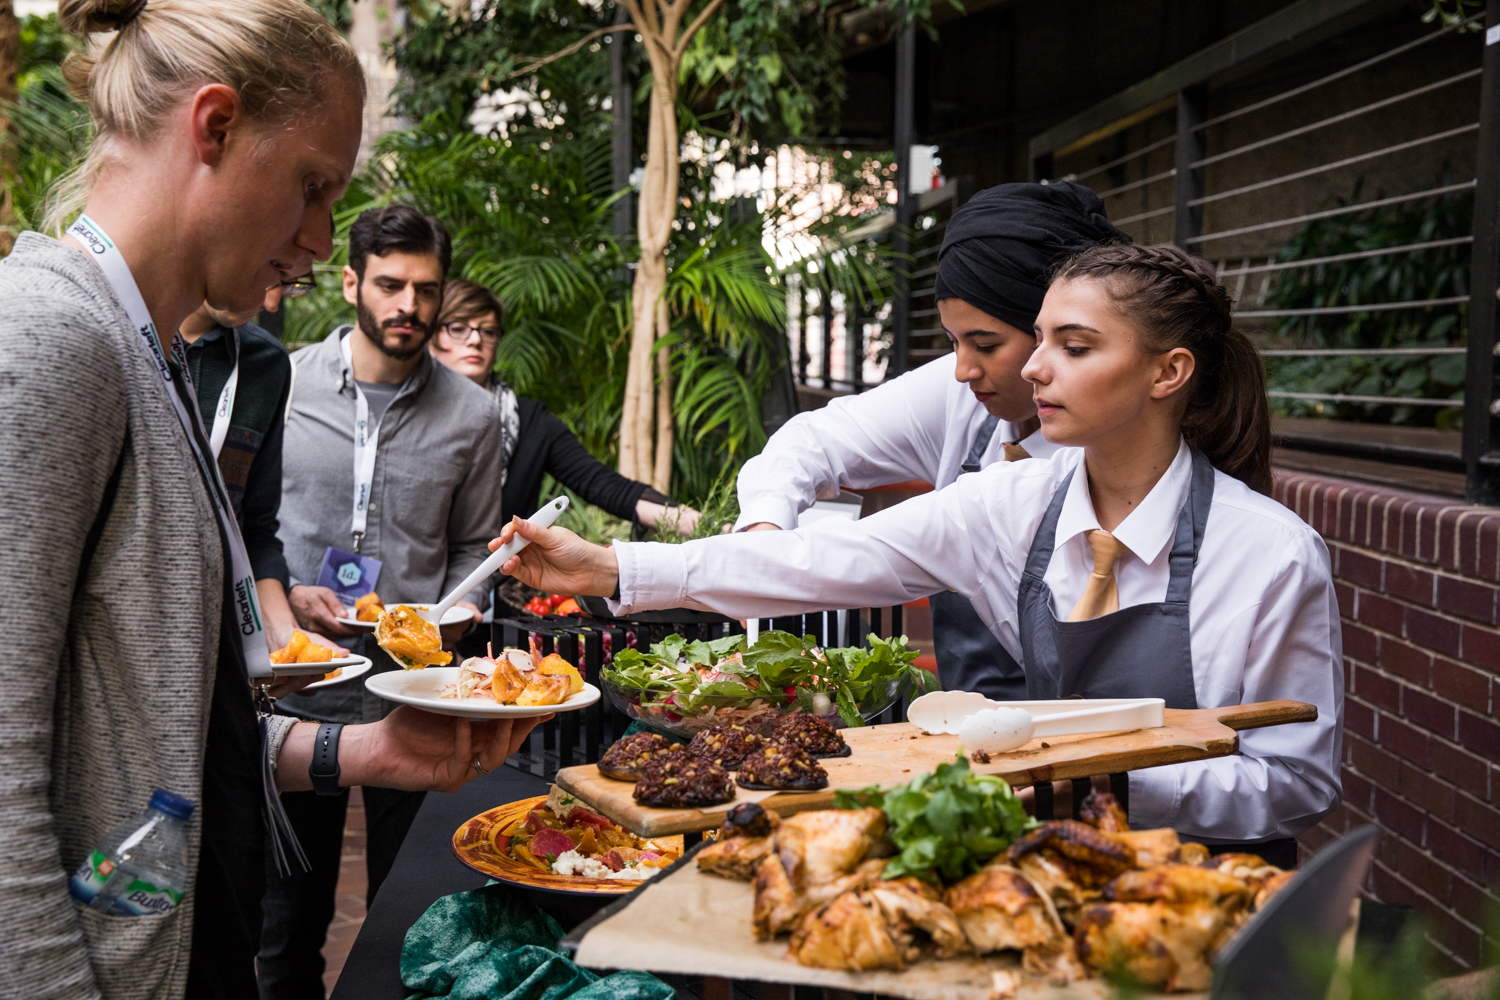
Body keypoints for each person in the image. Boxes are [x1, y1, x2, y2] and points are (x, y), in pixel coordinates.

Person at [0, 4, 539, 998]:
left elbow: (169, 732)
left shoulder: (150, 359)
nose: (319, 236)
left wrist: (369, 748)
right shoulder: (49, 339)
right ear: (212, 126)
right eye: (313, 185)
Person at [491, 244, 1344, 862]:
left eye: (1075, 348)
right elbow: (812, 564)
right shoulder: (1010, 506)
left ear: (1169, 373)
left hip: (1217, 892)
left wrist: (1097, 773)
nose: (1037, 370)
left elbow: (1295, 784)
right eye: (1039, 340)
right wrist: (612, 568)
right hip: (1059, 862)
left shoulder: (1270, 556)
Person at [734, 183, 1129, 699]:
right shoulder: (964, 393)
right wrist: (766, 532)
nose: (963, 370)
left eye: (985, 344)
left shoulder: (1116, 454)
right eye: (953, 342)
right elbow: (815, 439)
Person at [264, 207, 508, 997]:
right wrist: (288, 597)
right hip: (301, 681)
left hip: (417, 681)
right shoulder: (284, 384)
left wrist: (452, 614)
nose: (408, 304)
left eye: (425, 289)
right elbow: (245, 528)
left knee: (406, 919)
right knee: (283, 928)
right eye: (391, 284)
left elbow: (475, 546)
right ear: (351, 283)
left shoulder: (473, 415)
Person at [428, 278, 703, 539]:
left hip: (499, 578)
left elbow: (605, 486)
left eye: (487, 331)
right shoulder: (402, 413)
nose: (475, 340)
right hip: (402, 579)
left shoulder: (531, 422)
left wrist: (717, 528)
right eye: (458, 327)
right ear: (431, 337)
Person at [181, 286, 347, 696]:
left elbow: (253, 526)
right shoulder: (112, 332)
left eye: (292, 284)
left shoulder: (266, 362)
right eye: (272, 271)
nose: (272, 303)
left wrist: (283, 637)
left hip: (216, 651)